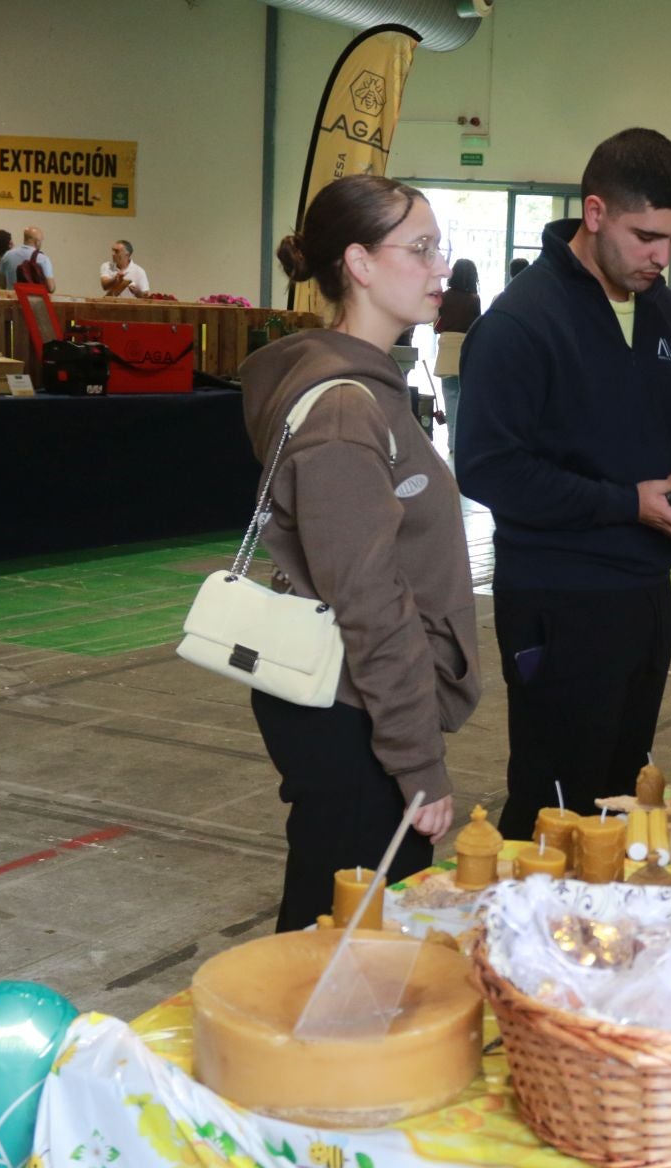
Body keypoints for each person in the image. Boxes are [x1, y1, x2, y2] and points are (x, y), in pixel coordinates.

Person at [455, 127, 671, 841]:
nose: (660, 256)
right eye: (646, 236)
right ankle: (514, 939)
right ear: (594, 213)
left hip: (645, 593)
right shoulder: (520, 323)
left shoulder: (662, 308)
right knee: (553, 798)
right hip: (559, 601)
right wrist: (625, 501)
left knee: (621, 793)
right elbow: (485, 467)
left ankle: (595, 943)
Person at [240, 173, 481, 931]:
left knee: (338, 935)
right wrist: (419, 766)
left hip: (352, 711)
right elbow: (373, 606)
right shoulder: (346, 409)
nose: (440, 267)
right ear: (360, 263)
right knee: (339, 947)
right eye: (419, 248)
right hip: (353, 721)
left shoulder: (367, 390)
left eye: (438, 248)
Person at [435, 258, 480, 453]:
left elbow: (437, 323)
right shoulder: (474, 299)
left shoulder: (444, 297)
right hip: (466, 350)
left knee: (450, 398)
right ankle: (460, 443)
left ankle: (451, 443)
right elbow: (476, 325)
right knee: (464, 401)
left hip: (446, 349)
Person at [2, 227, 55, 293]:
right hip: (32, 300)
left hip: (12, 298)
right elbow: (50, 288)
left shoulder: (7, 255)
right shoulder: (43, 259)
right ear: (37, 242)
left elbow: (1, 283)